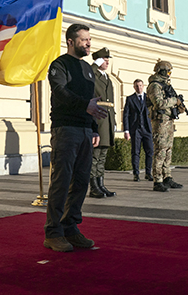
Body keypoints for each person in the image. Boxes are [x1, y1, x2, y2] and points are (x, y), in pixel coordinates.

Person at [44, 23, 107, 252]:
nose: (89, 43)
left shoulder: (88, 69)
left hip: (84, 131)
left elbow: (91, 101)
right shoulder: (59, 65)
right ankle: (53, 233)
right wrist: (85, 107)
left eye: (89, 39)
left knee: (81, 182)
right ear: (71, 41)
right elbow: (60, 92)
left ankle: (70, 228)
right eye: (84, 40)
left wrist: (93, 128)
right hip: (65, 130)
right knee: (61, 182)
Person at [147, 60, 185, 192]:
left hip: (168, 121)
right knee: (160, 151)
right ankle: (157, 180)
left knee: (168, 150)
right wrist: (175, 101)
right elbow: (159, 103)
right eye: (168, 71)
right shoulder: (155, 86)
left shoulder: (165, 85)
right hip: (160, 122)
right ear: (162, 71)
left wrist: (179, 106)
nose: (169, 74)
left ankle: (167, 177)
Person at [89, 47, 117, 198]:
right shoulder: (93, 75)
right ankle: (94, 188)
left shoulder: (108, 78)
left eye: (107, 60)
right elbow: (87, 73)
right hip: (98, 119)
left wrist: (114, 121)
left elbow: (111, 103)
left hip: (107, 120)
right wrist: (94, 64)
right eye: (104, 60)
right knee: (95, 156)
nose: (107, 62)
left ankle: (101, 185)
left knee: (102, 156)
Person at [122, 79, 154, 182]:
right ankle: (136, 174)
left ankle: (148, 173)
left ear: (143, 86)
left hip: (147, 129)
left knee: (150, 151)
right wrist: (126, 130)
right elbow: (126, 115)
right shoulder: (130, 99)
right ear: (134, 87)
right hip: (135, 129)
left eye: (140, 85)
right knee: (135, 152)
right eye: (136, 86)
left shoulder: (149, 99)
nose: (139, 88)